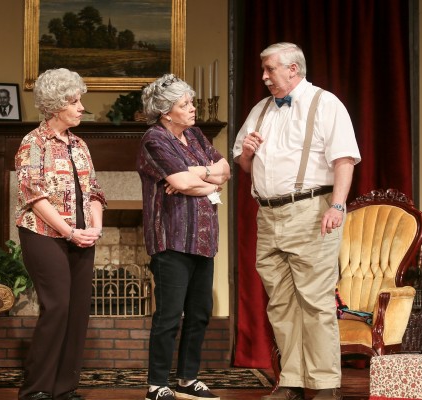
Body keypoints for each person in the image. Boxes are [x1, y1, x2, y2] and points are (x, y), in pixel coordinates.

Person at [232, 42, 361, 400]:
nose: (264, 76)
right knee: (281, 303)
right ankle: (291, 380)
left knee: (315, 301)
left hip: (311, 211)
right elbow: (244, 165)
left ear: (292, 69)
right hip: (268, 214)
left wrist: (337, 206)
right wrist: (247, 154)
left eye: (269, 69)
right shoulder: (260, 110)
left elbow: (344, 160)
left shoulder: (325, 103)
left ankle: (325, 385)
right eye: (263, 69)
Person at [137, 74, 230, 400]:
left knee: (200, 312)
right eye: (185, 104)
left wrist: (197, 175)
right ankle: (156, 385)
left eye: (191, 102)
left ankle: (187, 380)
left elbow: (226, 170)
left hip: (203, 239)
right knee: (169, 315)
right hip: (171, 238)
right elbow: (181, 182)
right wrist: (206, 180)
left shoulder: (195, 134)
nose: (192, 108)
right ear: (166, 112)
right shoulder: (155, 139)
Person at [14, 68, 105, 400]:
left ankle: (64, 388)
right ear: (55, 105)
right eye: (74, 101)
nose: (81, 107)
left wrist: (94, 227)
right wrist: (69, 232)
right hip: (44, 235)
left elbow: (94, 191)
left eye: (80, 100)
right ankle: (36, 389)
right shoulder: (33, 143)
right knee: (58, 307)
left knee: (78, 311)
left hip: (81, 235)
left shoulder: (79, 145)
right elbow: (34, 196)